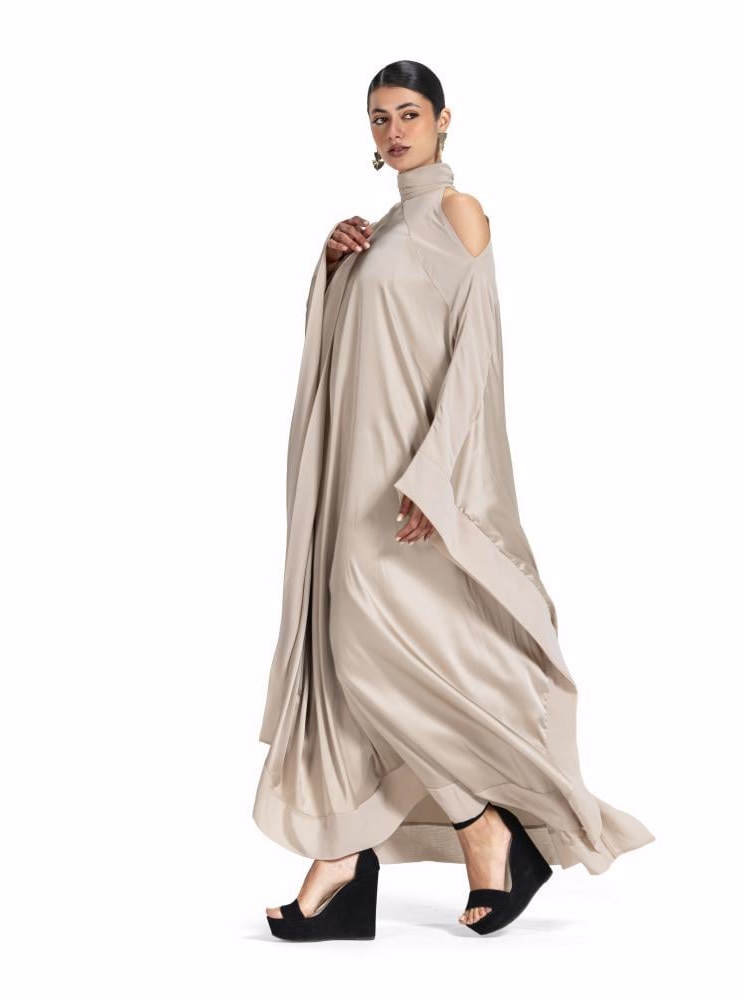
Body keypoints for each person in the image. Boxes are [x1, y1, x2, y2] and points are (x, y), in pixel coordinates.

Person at [255, 60, 655, 940]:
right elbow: (356, 349)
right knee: (342, 653)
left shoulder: (457, 213)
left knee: (371, 654)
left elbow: (476, 354)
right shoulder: (376, 231)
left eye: (409, 113)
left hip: (407, 479)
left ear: (443, 120)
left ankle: (478, 827)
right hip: (350, 476)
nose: (393, 131)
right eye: (378, 118)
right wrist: (333, 269)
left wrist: (436, 474)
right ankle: (347, 858)